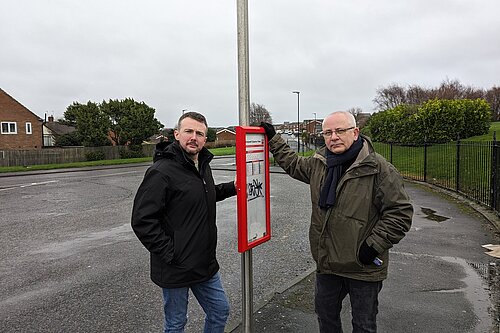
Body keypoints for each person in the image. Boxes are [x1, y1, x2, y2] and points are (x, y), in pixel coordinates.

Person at [261, 111, 413, 333]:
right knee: (326, 318)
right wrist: (274, 140)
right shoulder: (320, 163)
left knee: (363, 325)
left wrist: (373, 247)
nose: (334, 137)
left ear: (355, 132)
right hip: (328, 264)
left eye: (340, 131)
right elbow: (293, 164)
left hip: (363, 266)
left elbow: (400, 213)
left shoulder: (379, 169)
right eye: (328, 132)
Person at [131, 111, 236, 333]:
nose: (194, 137)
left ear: (205, 139)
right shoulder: (161, 171)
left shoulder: (202, 165)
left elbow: (201, 194)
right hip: (175, 266)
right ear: (177, 134)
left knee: (219, 311)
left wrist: (232, 187)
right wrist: (172, 253)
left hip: (204, 263)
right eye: (188, 131)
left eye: (199, 133)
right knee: (176, 324)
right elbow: (142, 220)